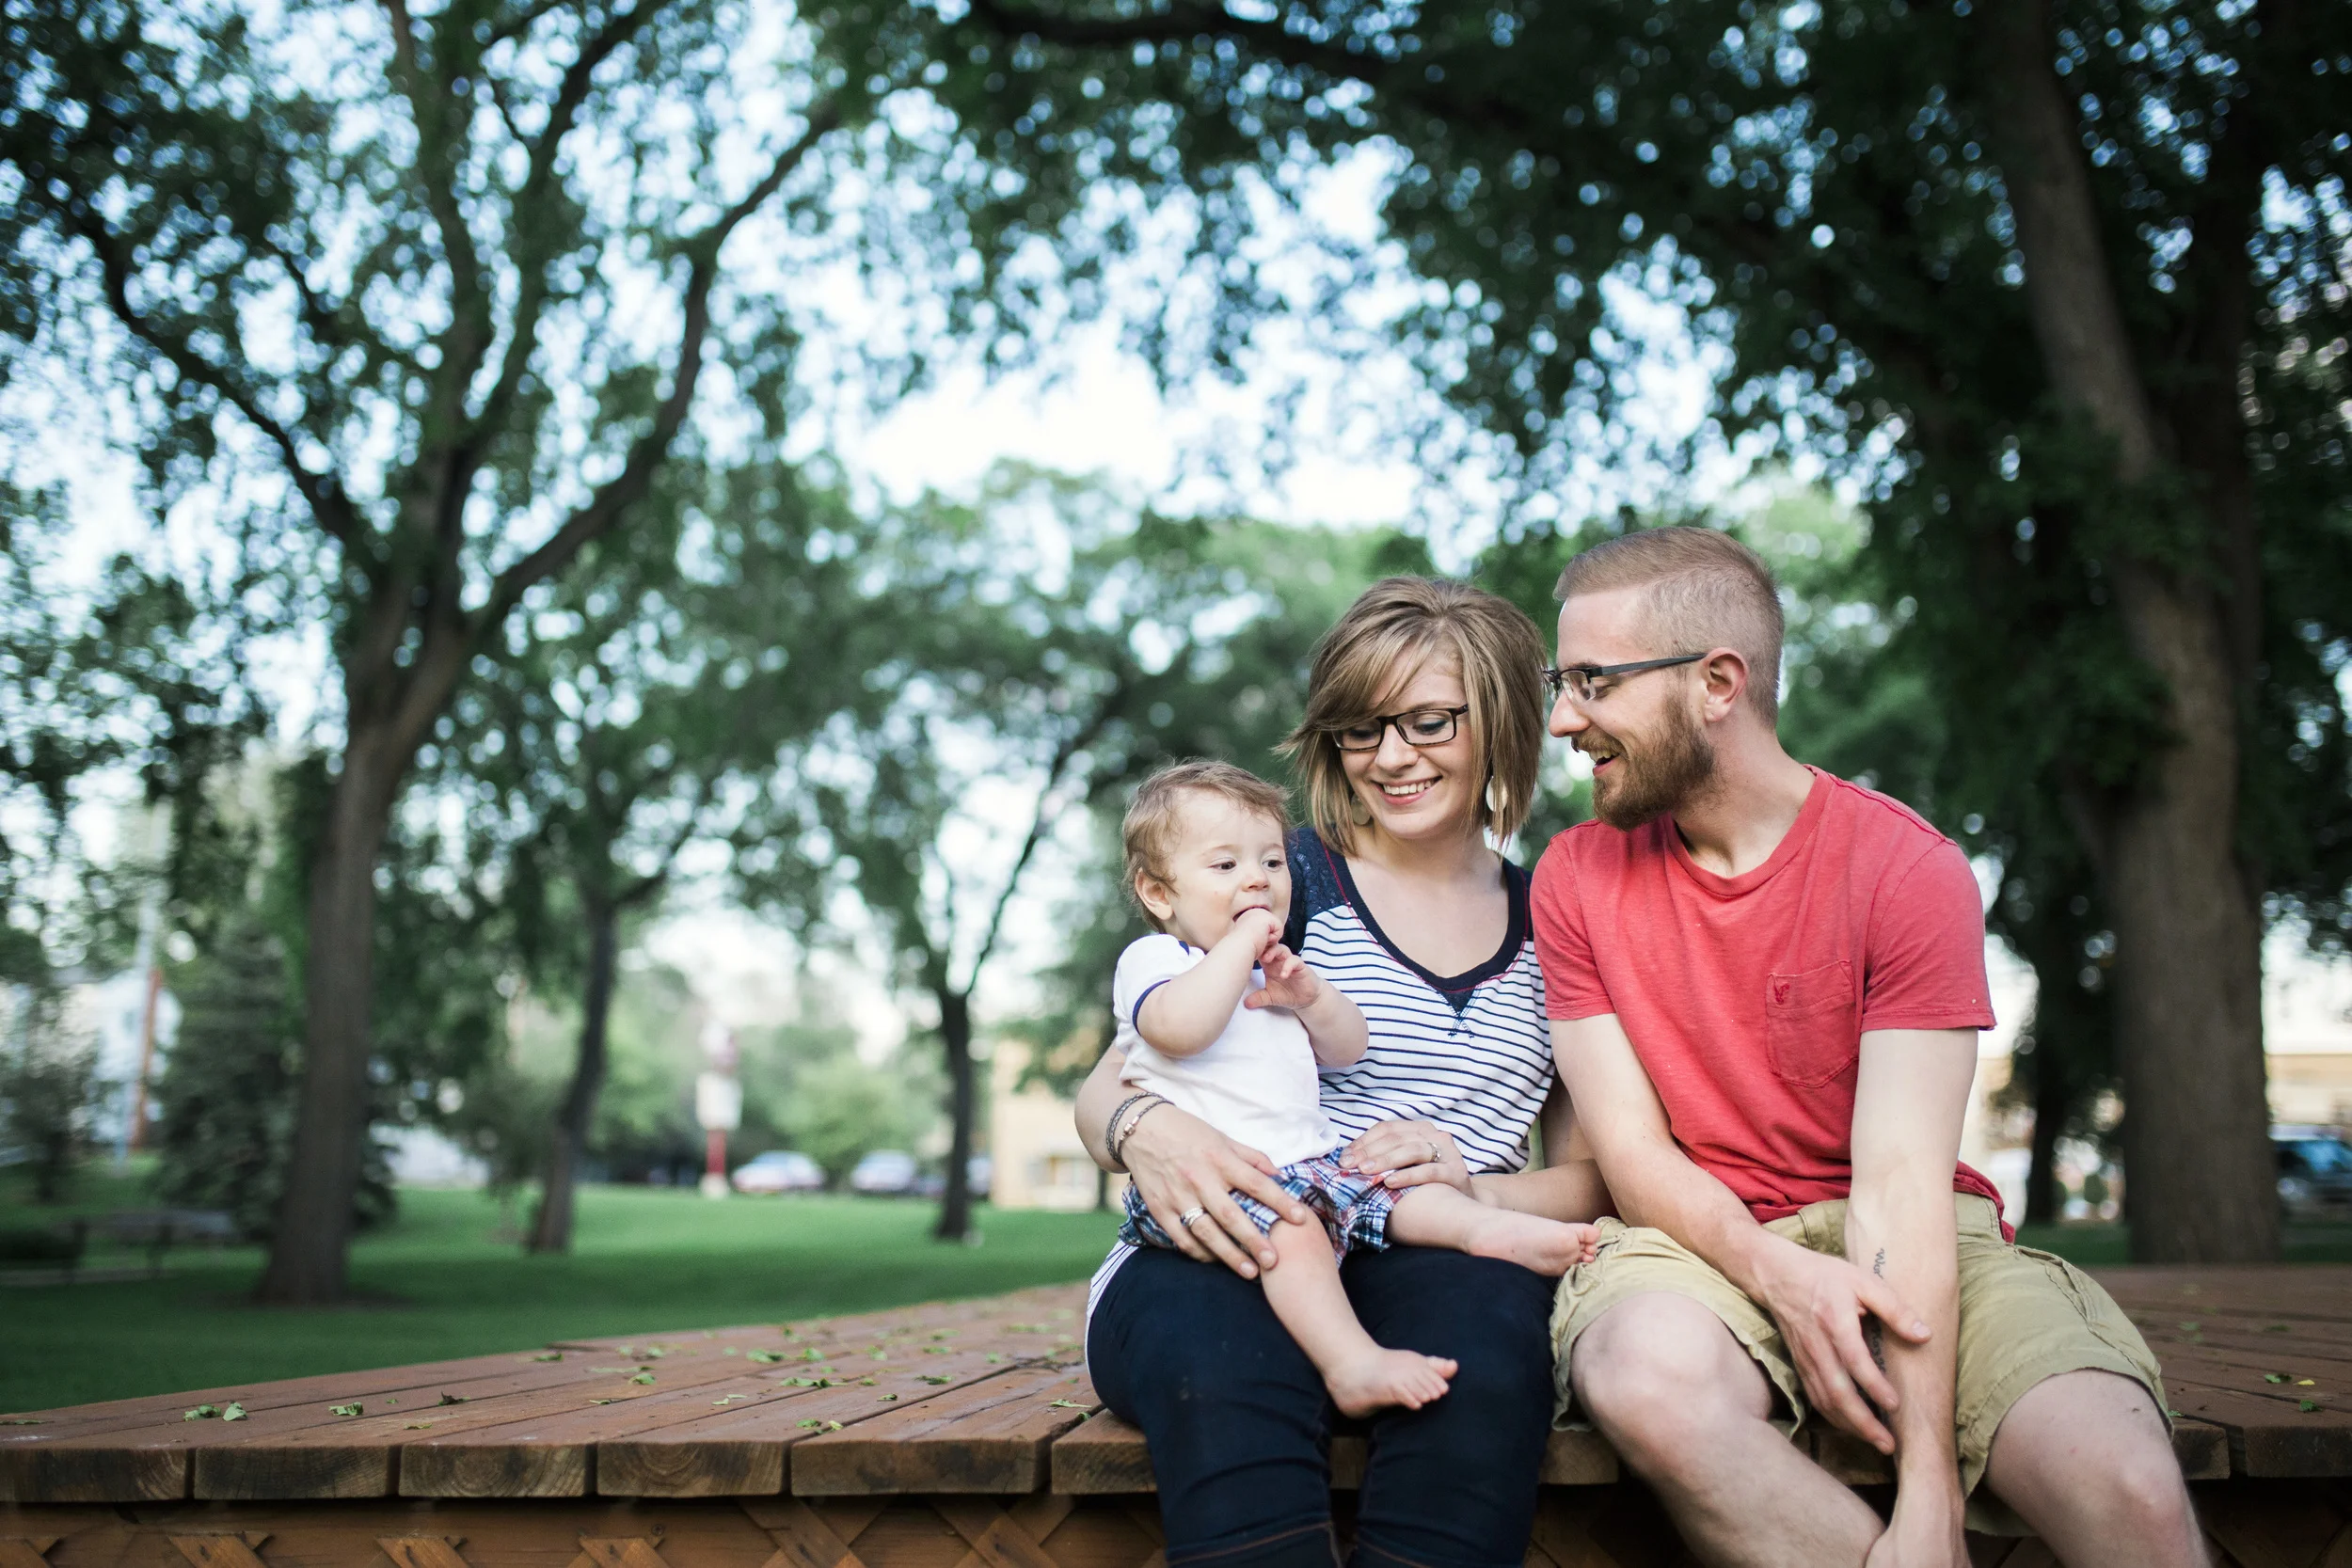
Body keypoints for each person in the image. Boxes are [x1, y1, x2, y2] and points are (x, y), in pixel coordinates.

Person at [1532, 527, 2203, 1568]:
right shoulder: (1572, 876)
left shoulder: (1906, 867)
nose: (1565, 718)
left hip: (1917, 1234)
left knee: (2126, 1484)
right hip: (1693, 1243)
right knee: (1642, 1377)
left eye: (1592, 682)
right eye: (1560, 682)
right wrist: (1778, 1275)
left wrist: (1928, 1494)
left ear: (1717, 682)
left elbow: (1898, 1180)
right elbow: (1631, 1153)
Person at [1077, 577, 1609, 1568]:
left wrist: (1461, 1179)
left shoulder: (1557, 919)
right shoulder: (1278, 879)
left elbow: (1589, 1175)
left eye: (1428, 721)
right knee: (1223, 1361)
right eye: (1361, 729)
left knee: (1483, 1363)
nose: (1391, 757)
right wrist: (1147, 1133)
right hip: (1241, 1229)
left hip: (1442, 1244)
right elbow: (1114, 1079)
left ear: (1496, 719)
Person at [1108, 759, 1601, 1416]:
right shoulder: (1160, 963)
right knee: (1296, 1232)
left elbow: (1348, 1048)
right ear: (1159, 893)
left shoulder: (1270, 976)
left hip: (1314, 1163)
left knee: (1401, 1191)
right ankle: (1350, 1362)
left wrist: (1309, 995)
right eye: (1225, 867)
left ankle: (1488, 1232)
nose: (1257, 879)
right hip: (1231, 1182)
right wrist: (1242, 947)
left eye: (1272, 863)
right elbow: (1177, 1029)